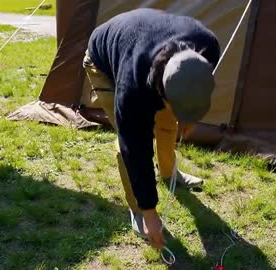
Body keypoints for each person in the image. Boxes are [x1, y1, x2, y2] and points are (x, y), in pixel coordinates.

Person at [83, 8, 220, 249]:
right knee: (127, 141)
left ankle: (169, 173)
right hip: (102, 60)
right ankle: (137, 210)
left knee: (167, 123)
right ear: (159, 87)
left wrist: (189, 115)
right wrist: (150, 211)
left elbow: (195, 88)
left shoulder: (207, 47)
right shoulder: (133, 87)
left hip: (146, 42)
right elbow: (134, 148)